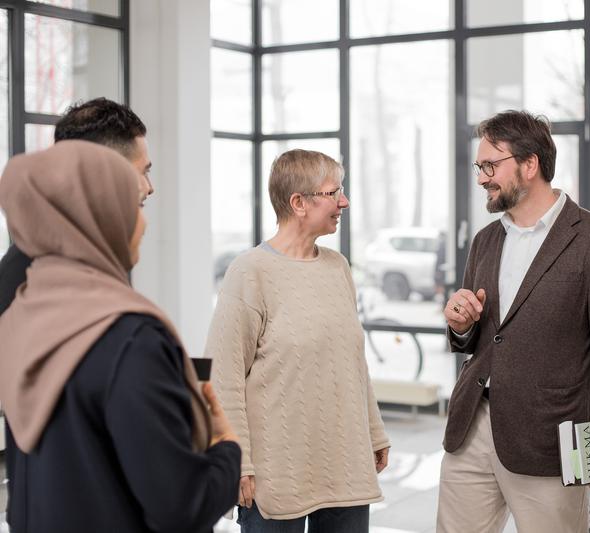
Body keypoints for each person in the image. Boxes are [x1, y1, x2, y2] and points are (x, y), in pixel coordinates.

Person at [0, 141, 241, 532]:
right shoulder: (131, 339)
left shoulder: (19, 319)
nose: (143, 225)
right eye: (135, 208)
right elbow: (181, 507)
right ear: (99, 217)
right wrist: (227, 449)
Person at [437, 110, 590, 533]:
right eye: (479, 167)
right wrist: (461, 325)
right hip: (471, 429)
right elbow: (482, 338)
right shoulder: (486, 240)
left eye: (490, 165)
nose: (481, 178)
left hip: (552, 435)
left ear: (530, 165)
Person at [206, 149, 390, 533]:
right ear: (298, 203)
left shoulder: (337, 267)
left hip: (345, 467)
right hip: (276, 473)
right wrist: (238, 462)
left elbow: (352, 361)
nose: (344, 201)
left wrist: (374, 431)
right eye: (334, 192)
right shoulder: (250, 272)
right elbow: (223, 377)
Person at [0, 97, 153, 316]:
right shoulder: (32, 278)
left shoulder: (78, 261)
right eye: (142, 172)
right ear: (104, 175)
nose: (148, 188)